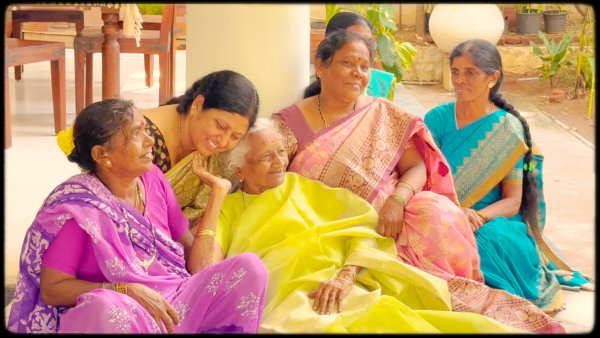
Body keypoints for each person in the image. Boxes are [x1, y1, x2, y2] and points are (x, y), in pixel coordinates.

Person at [187, 118, 564, 333]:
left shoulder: (306, 188)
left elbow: (365, 228)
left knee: (401, 319)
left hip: (341, 283)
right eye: (265, 157)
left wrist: (347, 274)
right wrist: (219, 194)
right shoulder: (229, 208)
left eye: (281, 152)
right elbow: (204, 270)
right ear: (238, 169)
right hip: (286, 298)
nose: (279, 162)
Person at [8, 99, 267, 333]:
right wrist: (125, 289)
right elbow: (53, 289)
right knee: (103, 307)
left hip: (174, 302)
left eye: (145, 129)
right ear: (101, 155)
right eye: (135, 133)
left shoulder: (152, 178)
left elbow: (197, 264)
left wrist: (217, 196)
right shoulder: (80, 207)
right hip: (126, 313)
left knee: (250, 268)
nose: (150, 140)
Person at [272, 30, 481, 283]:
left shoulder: (382, 112)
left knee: (436, 213)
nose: (357, 72)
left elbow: (416, 166)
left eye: (364, 66)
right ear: (320, 66)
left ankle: (442, 286)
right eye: (347, 63)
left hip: (391, 222)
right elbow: (271, 183)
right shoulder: (290, 123)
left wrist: (397, 201)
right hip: (328, 229)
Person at [423, 39, 594, 313]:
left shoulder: (507, 128)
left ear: (492, 78)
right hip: (441, 209)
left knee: (486, 244)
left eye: (470, 72)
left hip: (491, 217)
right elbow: (423, 175)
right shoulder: (437, 119)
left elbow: (512, 202)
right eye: (455, 71)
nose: (459, 80)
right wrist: (452, 211)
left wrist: (477, 216)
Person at [142, 70, 259, 224]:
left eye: (235, 136)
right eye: (220, 126)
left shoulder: (221, 154)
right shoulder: (145, 139)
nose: (223, 142)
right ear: (197, 105)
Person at [325, 11, 396, 100]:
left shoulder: (379, 83)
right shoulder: (312, 96)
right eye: (354, 40)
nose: (363, 47)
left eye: (369, 42)